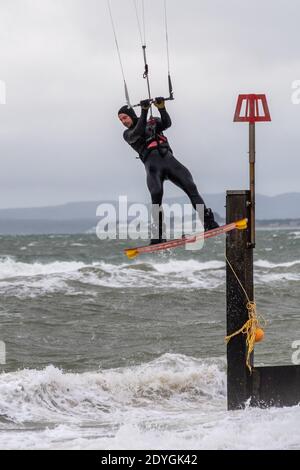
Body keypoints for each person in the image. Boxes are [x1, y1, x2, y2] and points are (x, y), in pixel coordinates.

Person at [118, 98, 219, 244]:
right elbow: (138, 132)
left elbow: (167, 123)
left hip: (170, 162)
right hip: (153, 169)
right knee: (156, 198)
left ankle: (209, 223)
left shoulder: (152, 122)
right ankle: (158, 235)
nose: (123, 121)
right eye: (120, 120)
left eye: (124, 117)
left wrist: (161, 107)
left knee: (191, 188)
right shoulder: (127, 134)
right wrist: (144, 110)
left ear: (131, 115)